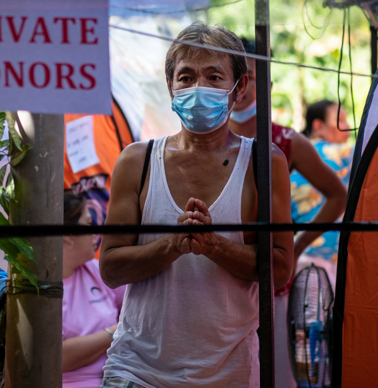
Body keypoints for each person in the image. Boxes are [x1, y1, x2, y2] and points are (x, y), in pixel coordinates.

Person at [99, 22, 293, 388]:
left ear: (239, 88)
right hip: (137, 372)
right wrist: (172, 244)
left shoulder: (264, 162)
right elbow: (111, 267)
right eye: (186, 77)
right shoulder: (136, 161)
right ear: (169, 86)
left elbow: (279, 269)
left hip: (230, 375)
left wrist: (213, 245)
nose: (197, 88)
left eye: (214, 77)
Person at [228, 48, 347, 388]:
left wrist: (299, 244)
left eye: (251, 76)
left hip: (269, 274)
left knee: (273, 368)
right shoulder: (201, 141)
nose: (244, 85)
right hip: (215, 273)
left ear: (266, 83)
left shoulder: (286, 141)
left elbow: (338, 195)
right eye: (236, 76)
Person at [62, 190, 125, 388]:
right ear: (66, 237)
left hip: (119, 378)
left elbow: (138, 311)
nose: (96, 233)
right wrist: (116, 331)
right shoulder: (37, 287)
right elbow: (58, 358)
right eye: (89, 224)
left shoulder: (97, 270)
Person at [291, 100, 353, 285]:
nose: (348, 127)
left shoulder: (289, 157)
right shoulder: (344, 153)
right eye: (341, 121)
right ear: (319, 126)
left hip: (302, 257)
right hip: (328, 260)